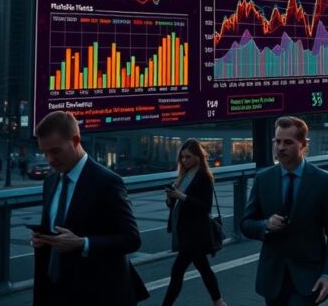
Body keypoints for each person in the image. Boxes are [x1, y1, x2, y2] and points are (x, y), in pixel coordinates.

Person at [31, 111, 146, 306]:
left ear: (76, 140)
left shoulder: (108, 182)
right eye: (45, 152)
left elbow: (132, 239)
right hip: (55, 293)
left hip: (97, 293)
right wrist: (42, 239)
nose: (50, 159)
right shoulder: (50, 181)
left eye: (56, 151)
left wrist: (82, 243)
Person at [240, 116, 328, 306]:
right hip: (272, 278)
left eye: (288, 142)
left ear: (303, 144)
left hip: (308, 277)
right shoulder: (263, 179)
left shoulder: (322, 181)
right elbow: (246, 224)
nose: (280, 147)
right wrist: (265, 225)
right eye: (277, 141)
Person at [162, 139, 227, 306]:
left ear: (198, 156)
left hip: (195, 233)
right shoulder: (184, 175)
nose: (184, 160)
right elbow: (174, 204)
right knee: (204, 269)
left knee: (177, 271)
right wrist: (170, 198)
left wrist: (181, 197)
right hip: (185, 232)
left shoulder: (203, 176)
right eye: (182, 157)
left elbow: (205, 206)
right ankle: (219, 303)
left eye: (188, 157)